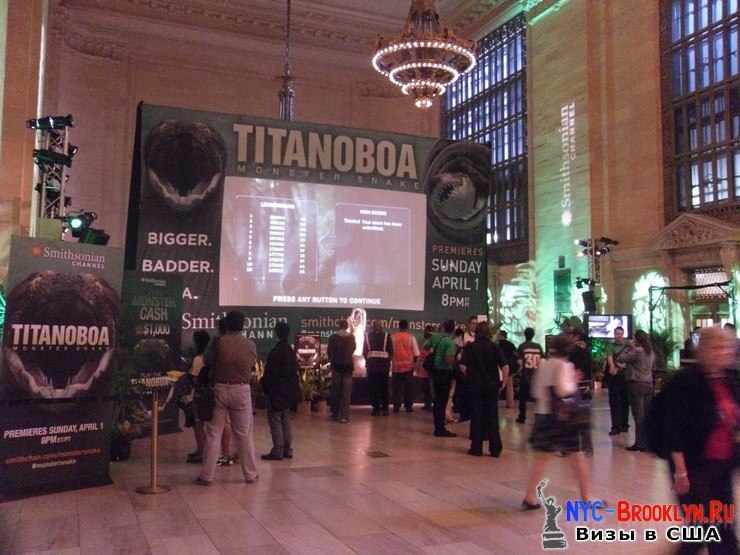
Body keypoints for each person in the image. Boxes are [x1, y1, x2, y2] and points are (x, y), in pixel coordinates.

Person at [664, 327, 740, 555]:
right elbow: (672, 430)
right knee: (704, 527)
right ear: (704, 350)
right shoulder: (684, 383)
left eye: (728, 347)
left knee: (721, 526)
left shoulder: (731, 379)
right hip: (694, 467)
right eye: (718, 347)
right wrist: (680, 472)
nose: (724, 352)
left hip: (722, 465)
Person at [522, 334, 590, 510]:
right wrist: (573, 381)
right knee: (577, 455)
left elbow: (536, 391)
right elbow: (562, 390)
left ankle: (530, 496)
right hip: (562, 417)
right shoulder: (564, 365)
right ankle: (586, 498)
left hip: (542, 415)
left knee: (541, 458)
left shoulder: (543, 364)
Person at [197, 311, 259, 485]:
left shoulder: (218, 342)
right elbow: (252, 364)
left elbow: (207, 361)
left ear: (227, 324)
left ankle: (207, 475)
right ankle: (250, 474)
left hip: (220, 389)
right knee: (244, 434)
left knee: (213, 433)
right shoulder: (250, 344)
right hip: (241, 390)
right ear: (242, 325)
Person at [460, 321, 506, 457]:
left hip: (475, 385)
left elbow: (462, 366)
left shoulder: (471, 347)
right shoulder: (495, 347)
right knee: (492, 416)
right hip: (492, 385)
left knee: (476, 415)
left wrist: (470, 375)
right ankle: (495, 448)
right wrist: (504, 382)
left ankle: (476, 447)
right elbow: (505, 366)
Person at [261, 321, 299, 461]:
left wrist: (266, 388)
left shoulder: (275, 352)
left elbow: (270, 374)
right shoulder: (290, 351)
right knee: (286, 419)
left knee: (275, 420)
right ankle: (287, 449)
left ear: (276, 333)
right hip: (288, 391)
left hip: (276, 391)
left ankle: (277, 450)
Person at [616, 329, 655, 452]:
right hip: (648, 384)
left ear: (637, 339)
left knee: (638, 415)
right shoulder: (651, 352)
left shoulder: (637, 351)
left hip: (636, 385)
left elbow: (620, 358)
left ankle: (639, 443)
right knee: (647, 414)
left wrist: (627, 347)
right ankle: (648, 442)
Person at [424, 319, 458, 437]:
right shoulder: (450, 342)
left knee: (437, 400)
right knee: (442, 401)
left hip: (434, 372)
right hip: (444, 373)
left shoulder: (435, 338)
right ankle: (440, 428)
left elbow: (425, 346)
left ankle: (437, 426)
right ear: (453, 329)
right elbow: (449, 360)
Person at [186, 330, 210, 463]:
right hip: (210, 394)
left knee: (198, 424)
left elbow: (194, 379)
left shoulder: (198, 359)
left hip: (199, 395)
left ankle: (202, 450)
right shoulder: (211, 357)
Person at [328, 319, 356, 424]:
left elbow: (329, 352)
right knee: (346, 393)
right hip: (348, 367)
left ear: (339, 326)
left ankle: (335, 414)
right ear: (347, 326)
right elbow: (353, 349)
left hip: (336, 366)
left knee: (336, 391)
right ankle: (344, 416)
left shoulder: (333, 337)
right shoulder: (351, 337)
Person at [364, 320, 393, 416]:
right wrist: (388, 361)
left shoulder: (367, 336)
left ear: (373, 327)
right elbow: (391, 352)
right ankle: (385, 409)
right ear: (381, 327)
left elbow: (365, 352)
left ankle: (376, 409)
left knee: (374, 388)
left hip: (372, 367)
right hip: (384, 367)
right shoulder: (386, 336)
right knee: (384, 388)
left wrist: (369, 361)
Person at [390, 320, 419, 413]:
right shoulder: (411, 337)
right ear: (407, 327)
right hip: (408, 367)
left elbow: (389, 352)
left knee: (396, 388)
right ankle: (408, 407)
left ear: (399, 327)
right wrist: (413, 364)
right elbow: (416, 353)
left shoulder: (393, 337)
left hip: (396, 367)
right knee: (408, 388)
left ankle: (396, 407)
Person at [605, 326, 629, 436]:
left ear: (623, 334)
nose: (618, 336)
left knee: (625, 401)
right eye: (617, 333)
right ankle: (615, 426)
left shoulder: (627, 345)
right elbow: (609, 357)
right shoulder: (610, 345)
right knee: (614, 401)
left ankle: (624, 425)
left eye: (620, 333)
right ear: (614, 334)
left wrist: (622, 366)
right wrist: (612, 366)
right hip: (614, 376)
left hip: (625, 376)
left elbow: (629, 360)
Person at [516, 327, 543, 424]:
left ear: (525, 335)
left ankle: (522, 417)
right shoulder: (538, 346)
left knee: (522, 398)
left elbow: (519, 362)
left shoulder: (522, 346)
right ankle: (539, 418)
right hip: (536, 375)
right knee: (537, 399)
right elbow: (542, 360)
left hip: (525, 375)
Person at [415, 324, 436, 411]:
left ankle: (431, 405)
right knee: (426, 388)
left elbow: (422, 357)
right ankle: (427, 404)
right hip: (425, 370)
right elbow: (421, 357)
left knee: (430, 389)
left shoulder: (433, 344)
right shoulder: (426, 343)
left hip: (430, 370)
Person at [497, 330, 518, 409]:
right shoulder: (511, 344)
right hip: (510, 367)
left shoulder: (497, 345)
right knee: (510, 386)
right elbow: (515, 355)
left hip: (500, 367)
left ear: (501, 336)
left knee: (499, 385)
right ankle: (510, 403)